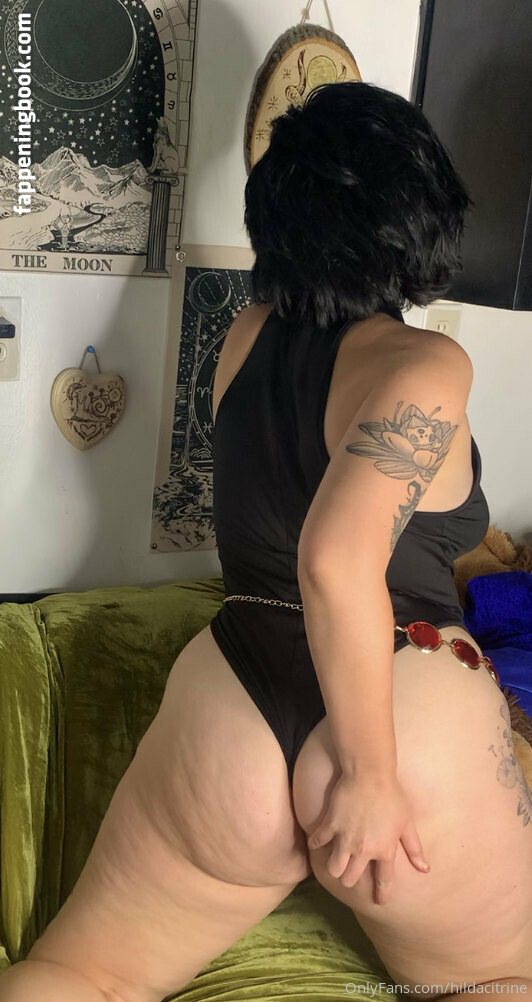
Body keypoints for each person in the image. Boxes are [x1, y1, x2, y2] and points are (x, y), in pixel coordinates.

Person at [1, 81, 531, 1002]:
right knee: (503, 978)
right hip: (395, 719)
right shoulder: (426, 364)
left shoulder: (245, 335)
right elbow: (334, 561)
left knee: (87, 976)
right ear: (418, 213)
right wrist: (368, 774)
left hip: (235, 702)